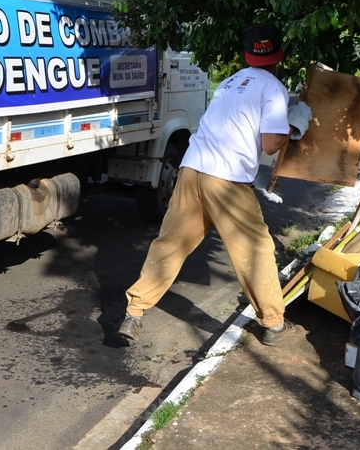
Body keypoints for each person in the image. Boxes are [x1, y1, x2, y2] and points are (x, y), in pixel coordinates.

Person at [117, 24, 312, 346]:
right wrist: (297, 121)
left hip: (193, 168)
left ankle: (134, 311)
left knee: (170, 244)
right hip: (227, 178)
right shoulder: (274, 88)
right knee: (256, 248)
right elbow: (272, 144)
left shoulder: (231, 81)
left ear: (248, 54)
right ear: (280, 55)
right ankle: (274, 324)